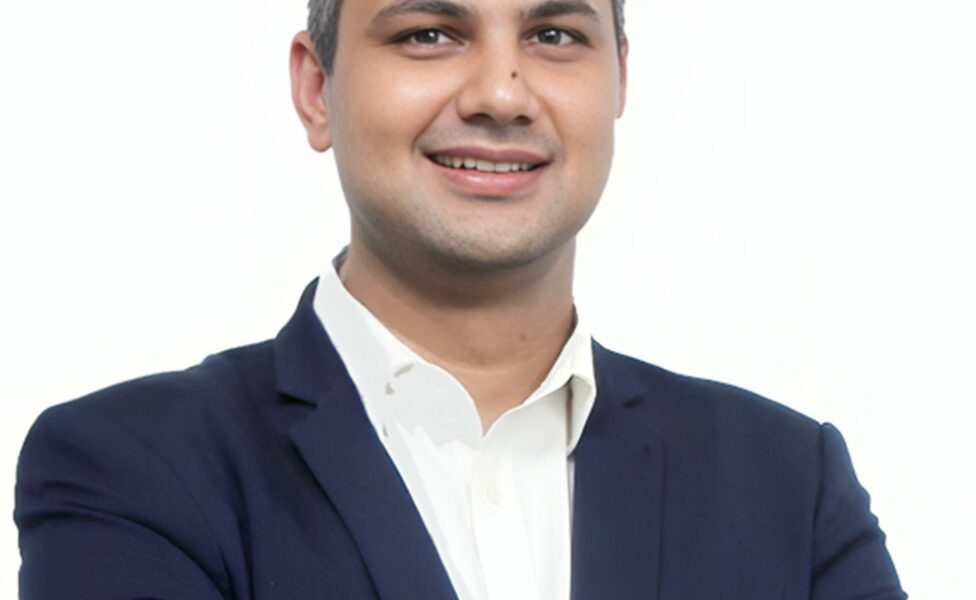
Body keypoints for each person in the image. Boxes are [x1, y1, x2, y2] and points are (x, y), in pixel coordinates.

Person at [14, 0, 906, 598]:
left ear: (620, 82)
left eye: (554, 34)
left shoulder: (788, 484)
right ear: (317, 88)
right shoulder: (132, 472)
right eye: (430, 33)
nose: (501, 94)